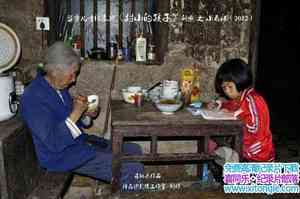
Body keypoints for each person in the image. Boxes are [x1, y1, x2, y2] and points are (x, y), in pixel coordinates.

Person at [20, 41, 143, 190]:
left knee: (133, 150)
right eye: (72, 75)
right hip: (61, 156)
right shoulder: (33, 97)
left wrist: (86, 114)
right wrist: (77, 112)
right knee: (132, 169)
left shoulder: (57, 86)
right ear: (55, 71)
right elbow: (53, 142)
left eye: (75, 74)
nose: (74, 80)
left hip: (78, 143)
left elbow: (70, 120)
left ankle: (120, 187)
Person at [208, 58, 275, 162]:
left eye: (230, 87)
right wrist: (219, 105)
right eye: (224, 88)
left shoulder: (253, 99)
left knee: (219, 148)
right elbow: (231, 106)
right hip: (245, 149)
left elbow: (255, 127)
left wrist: (236, 114)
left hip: (258, 154)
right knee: (215, 142)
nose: (227, 92)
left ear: (240, 81)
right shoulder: (239, 98)